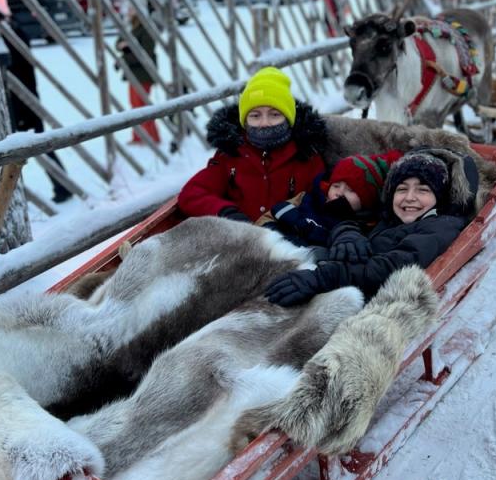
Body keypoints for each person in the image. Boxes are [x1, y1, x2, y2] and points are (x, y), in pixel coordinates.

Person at [265, 149, 480, 306]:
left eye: (422, 190)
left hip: (377, 302)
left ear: (440, 198)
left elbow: (390, 268)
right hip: (348, 282)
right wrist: (346, 234)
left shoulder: (439, 228)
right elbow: (359, 225)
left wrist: (322, 278)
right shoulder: (392, 218)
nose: (410, 198)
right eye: (402, 189)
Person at [177, 66, 327, 222]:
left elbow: (321, 203)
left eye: (274, 115)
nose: (264, 123)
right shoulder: (231, 154)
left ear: (288, 118)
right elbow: (192, 193)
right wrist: (226, 212)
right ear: (245, 121)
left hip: (291, 241)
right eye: (255, 116)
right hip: (242, 240)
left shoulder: (306, 155)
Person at [0, 7, 73, 204]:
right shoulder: (7, 33)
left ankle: (62, 185)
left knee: (38, 144)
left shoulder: (11, 34)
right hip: (14, 101)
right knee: (31, 146)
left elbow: (13, 64)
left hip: (23, 101)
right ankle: (61, 185)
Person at [258, 149, 402, 249]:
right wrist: (270, 231)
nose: (339, 193)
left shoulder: (365, 227)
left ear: (367, 200)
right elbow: (267, 218)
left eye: (351, 190)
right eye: (336, 186)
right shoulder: (307, 199)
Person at [115, 0, 159, 144]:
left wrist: (125, 53)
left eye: (132, 7)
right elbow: (118, 42)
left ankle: (152, 138)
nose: (128, 10)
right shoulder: (130, 25)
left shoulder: (145, 27)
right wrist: (125, 46)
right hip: (133, 73)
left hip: (143, 73)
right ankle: (139, 136)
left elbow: (146, 54)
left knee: (143, 106)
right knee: (135, 106)